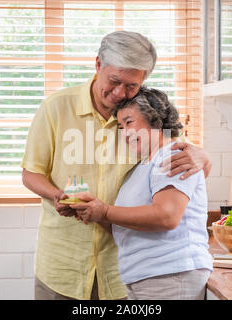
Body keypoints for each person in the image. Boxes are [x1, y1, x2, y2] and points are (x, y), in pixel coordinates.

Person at [21, 31, 212, 300]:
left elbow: (183, 160)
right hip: (63, 264)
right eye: (114, 81)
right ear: (98, 65)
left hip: (123, 269)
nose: (120, 92)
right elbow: (31, 172)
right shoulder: (56, 108)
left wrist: (204, 157)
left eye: (131, 85)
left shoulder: (143, 117)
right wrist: (56, 196)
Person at [72, 86, 213, 300]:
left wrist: (106, 211)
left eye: (129, 122)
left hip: (171, 275)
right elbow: (132, 228)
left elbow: (167, 216)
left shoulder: (174, 156)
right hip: (148, 278)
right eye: (120, 126)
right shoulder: (143, 166)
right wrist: (95, 213)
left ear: (155, 120)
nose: (125, 132)